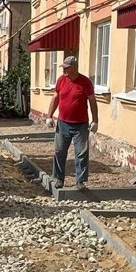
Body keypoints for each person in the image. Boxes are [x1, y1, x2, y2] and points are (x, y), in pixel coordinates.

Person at [45, 55, 99, 190]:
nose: (64, 71)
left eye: (67, 69)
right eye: (64, 69)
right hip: (63, 123)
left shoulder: (85, 82)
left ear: (74, 68)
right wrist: (49, 116)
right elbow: (55, 98)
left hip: (81, 124)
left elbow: (92, 101)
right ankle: (58, 179)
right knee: (59, 151)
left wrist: (95, 120)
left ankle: (80, 181)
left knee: (81, 152)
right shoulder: (61, 80)